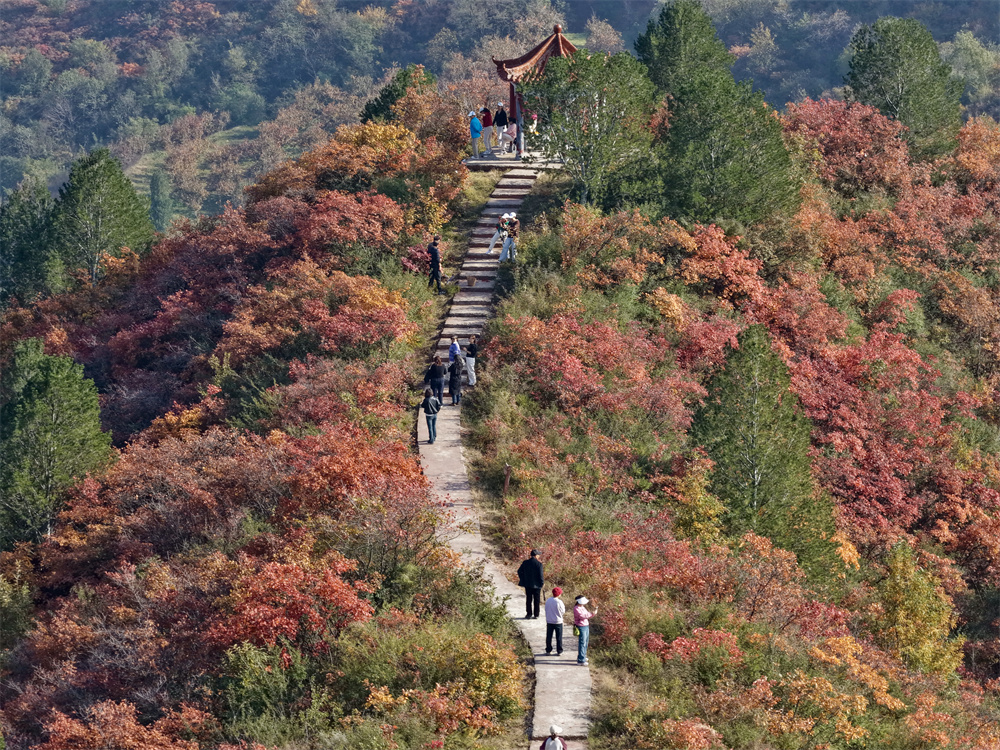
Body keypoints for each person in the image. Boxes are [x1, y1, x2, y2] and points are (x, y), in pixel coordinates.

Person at [517, 548, 544, 619]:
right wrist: (542, 583)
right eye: (538, 555)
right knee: (536, 600)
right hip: (537, 585)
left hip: (527, 584)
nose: (539, 556)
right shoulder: (539, 564)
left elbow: (519, 571)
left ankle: (529, 614)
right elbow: (540, 575)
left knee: (529, 600)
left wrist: (523, 579)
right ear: (536, 555)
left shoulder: (525, 563)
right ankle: (536, 614)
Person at [573, 595, 598, 665]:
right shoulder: (576, 608)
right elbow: (582, 616)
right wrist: (592, 613)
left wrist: (593, 613)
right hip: (581, 626)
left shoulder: (582, 607)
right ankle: (581, 660)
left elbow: (587, 615)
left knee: (585, 642)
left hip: (586, 625)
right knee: (582, 642)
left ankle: (583, 656)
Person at [544, 586, 565, 655]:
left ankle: (548, 650)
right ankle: (559, 650)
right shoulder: (559, 602)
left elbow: (546, 609)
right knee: (558, 637)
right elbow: (563, 611)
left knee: (549, 636)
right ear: (559, 594)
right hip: (558, 621)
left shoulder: (548, 600)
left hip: (549, 620)